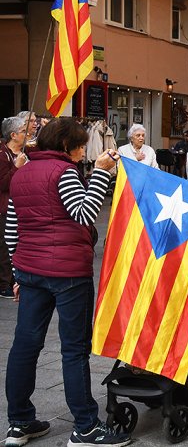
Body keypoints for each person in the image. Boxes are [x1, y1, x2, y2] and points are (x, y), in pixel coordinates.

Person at [4, 117, 131, 447]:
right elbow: (85, 213)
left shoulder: (21, 174)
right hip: (68, 274)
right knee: (74, 350)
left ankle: (19, 422)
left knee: (25, 345)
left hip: (31, 271)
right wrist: (102, 172)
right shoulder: (63, 173)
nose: (81, 152)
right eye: (78, 146)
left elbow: (11, 232)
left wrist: (18, 274)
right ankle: (86, 426)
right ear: (64, 146)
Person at [0, 117, 26, 299]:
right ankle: (4, 284)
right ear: (13, 135)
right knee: (5, 244)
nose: (27, 133)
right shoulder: (2, 154)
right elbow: (3, 183)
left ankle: (14, 279)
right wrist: (17, 167)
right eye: (23, 130)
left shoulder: (25, 152)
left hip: (22, 205)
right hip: (5, 207)